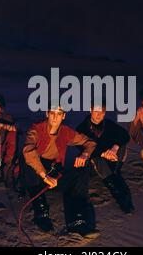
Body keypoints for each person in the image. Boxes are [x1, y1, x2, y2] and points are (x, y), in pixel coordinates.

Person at [21, 102, 97, 237]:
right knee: (27, 163)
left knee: (82, 168)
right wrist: (44, 175)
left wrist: (85, 154)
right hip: (39, 176)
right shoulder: (36, 129)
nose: (55, 117)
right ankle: (41, 212)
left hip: (54, 174)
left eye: (59, 114)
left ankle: (77, 219)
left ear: (64, 116)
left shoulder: (66, 132)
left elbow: (90, 143)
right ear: (47, 114)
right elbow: (28, 151)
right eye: (52, 113)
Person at [76, 99, 134, 213]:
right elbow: (82, 147)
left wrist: (114, 148)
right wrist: (103, 153)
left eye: (102, 112)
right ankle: (121, 196)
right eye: (96, 111)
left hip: (112, 156)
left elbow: (125, 135)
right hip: (97, 159)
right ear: (90, 110)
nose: (99, 115)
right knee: (96, 158)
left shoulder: (108, 124)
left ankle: (115, 172)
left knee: (121, 142)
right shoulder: (81, 128)